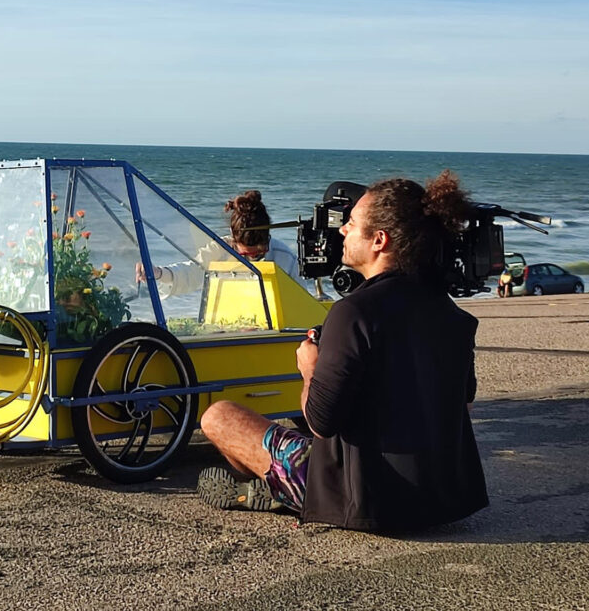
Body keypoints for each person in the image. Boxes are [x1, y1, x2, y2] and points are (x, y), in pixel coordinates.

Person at [196, 171, 489, 532]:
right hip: (441, 500)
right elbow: (464, 405)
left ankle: (283, 488)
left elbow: (320, 422)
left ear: (379, 240)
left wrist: (310, 366)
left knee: (219, 416)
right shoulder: (452, 314)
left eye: (351, 224)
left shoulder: (353, 313)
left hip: (363, 501)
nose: (341, 231)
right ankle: (275, 486)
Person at [136, 190, 315, 297]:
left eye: (258, 253)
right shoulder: (220, 249)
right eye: (246, 255)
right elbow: (190, 273)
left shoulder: (284, 257)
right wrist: (158, 273)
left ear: (268, 238)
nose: (253, 258)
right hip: (225, 327)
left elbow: (301, 301)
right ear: (232, 237)